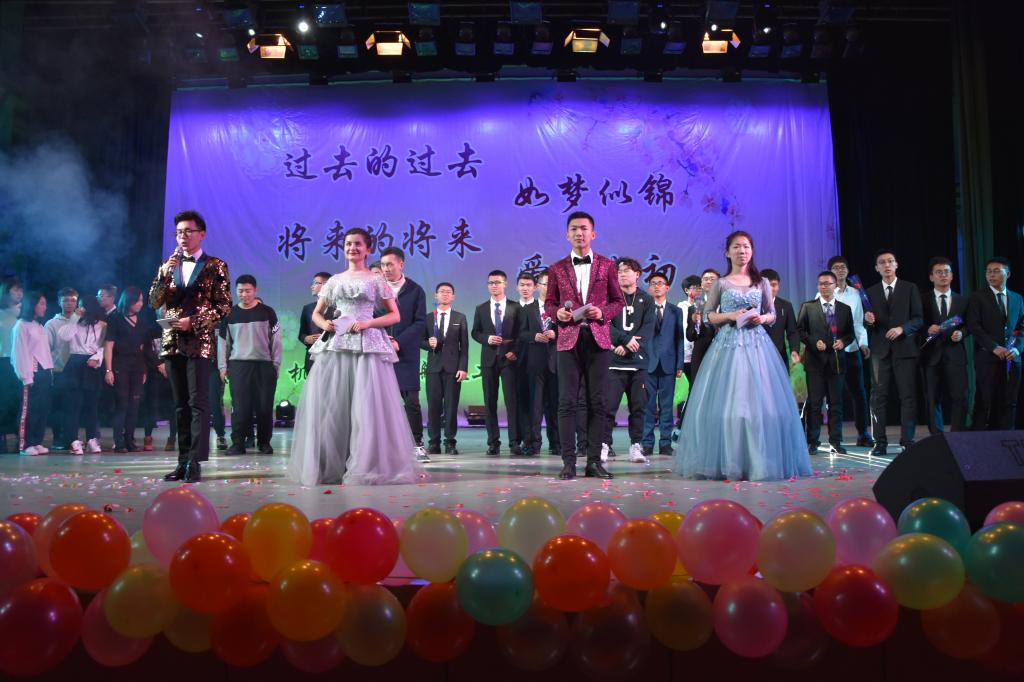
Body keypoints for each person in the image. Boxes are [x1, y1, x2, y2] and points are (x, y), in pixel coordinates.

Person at [674, 231, 811, 481]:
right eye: (736, 247)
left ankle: (759, 462)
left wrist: (762, 318)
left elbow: (772, 314)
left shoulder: (762, 282)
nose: (742, 251)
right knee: (728, 406)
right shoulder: (721, 283)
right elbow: (708, 315)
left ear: (752, 251)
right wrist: (730, 315)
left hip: (758, 345)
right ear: (727, 252)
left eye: (746, 246)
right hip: (727, 344)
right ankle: (729, 462)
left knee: (762, 407)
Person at [287, 227, 418, 486]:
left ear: (368, 249)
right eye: (348, 244)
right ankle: (331, 464)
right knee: (333, 405)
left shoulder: (376, 280)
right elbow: (316, 313)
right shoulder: (335, 280)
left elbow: (395, 316)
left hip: (367, 346)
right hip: (337, 345)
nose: (352, 248)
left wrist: (368, 323)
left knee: (367, 407)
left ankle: (367, 464)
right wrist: (325, 325)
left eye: (358, 244)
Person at [150, 209, 232, 483]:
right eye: (178, 233)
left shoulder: (215, 266)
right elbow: (154, 302)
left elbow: (224, 306)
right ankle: (182, 461)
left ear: (201, 234)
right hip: (172, 341)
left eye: (188, 231)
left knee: (198, 403)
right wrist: (164, 275)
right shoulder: (168, 265)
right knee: (180, 405)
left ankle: (195, 463)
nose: (182, 237)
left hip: (199, 342)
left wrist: (194, 321)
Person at [544, 211, 625, 480]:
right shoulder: (556, 268)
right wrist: (557, 314)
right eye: (574, 229)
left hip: (598, 339)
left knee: (598, 402)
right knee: (566, 402)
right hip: (568, 339)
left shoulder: (607, 265)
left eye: (584, 228)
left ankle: (593, 462)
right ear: (567, 234)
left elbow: (617, 301)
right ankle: (568, 463)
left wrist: (602, 313)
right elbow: (549, 303)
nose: (579, 233)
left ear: (593, 233)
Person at [864, 249, 923, 455]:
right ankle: (879, 442)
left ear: (897, 265)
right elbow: (867, 323)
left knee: (907, 396)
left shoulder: (910, 288)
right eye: (882, 262)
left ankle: (907, 440)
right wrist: (869, 321)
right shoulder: (870, 292)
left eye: (890, 261)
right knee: (878, 398)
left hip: (905, 349)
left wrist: (902, 329)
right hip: (880, 352)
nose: (887, 265)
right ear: (876, 268)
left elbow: (919, 319)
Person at [219, 275, 282, 455]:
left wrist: (276, 364)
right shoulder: (229, 314)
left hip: (264, 365)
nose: (244, 294)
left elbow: (276, 340)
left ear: (255, 291)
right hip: (238, 365)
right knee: (240, 407)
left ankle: (264, 443)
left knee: (264, 406)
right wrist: (223, 367)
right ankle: (238, 443)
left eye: (248, 291)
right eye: (240, 291)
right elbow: (223, 343)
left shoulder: (268, 312)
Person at [378, 247, 428, 461]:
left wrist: (399, 342)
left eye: (390, 264)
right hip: (379, 351)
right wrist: (383, 340)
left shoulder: (415, 290)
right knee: (379, 402)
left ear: (401, 264)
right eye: (383, 265)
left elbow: (420, 322)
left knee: (411, 401)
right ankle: (384, 446)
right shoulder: (376, 289)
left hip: (406, 353)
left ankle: (417, 444)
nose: (386, 269)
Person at [797, 271, 854, 455]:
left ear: (835, 285)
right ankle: (812, 442)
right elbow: (800, 331)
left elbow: (850, 334)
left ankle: (835, 442)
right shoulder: (808, 306)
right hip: (815, 363)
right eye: (821, 284)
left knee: (836, 405)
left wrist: (843, 342)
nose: (824, 287)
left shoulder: (845, 309)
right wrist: (814, 343)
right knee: (814, 405)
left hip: (836, 362)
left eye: (828, 283)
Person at [604, 258, 655, 464]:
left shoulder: (646, 299)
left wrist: (627, 346)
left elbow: (648, 328)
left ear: (637, 274)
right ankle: (604, 445)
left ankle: (636, 445)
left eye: (627, 270)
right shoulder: (610, 297)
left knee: (638, 407)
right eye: (619, 271)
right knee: (608, 407)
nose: (622, 274)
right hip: (614, 361)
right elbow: (604, 324)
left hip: (638, 361)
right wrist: (623, 341)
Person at [967, 257, 1023, 430]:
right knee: (986, 399)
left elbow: (1021, 327)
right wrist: (993, 347)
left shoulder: (1017, 298)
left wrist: (1017, 348)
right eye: (988, 272)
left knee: (1010, 400)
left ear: (1008, 274)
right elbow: (974, 326)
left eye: (996, 271)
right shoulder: (977, 297)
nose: (991, 275)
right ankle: (981, 437)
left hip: (1012, 357)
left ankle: (1007, 436)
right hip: (987, 357)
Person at [472, 270, 523, 456]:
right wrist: (487, 339)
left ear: (505, 284)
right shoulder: (481, 308)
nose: (494, 285)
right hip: (488, 359)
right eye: (491, 283)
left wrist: (515, 351)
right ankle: (493, 442)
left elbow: (522, 333)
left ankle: (515, 442)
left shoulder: (516, 307)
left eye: (497, 282)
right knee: (489, 402)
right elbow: (475, 332)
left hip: (509, 359)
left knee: (512, 401)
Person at [826, 256, 873, 447]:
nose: (840, 270)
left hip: (852, 348)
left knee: (859, 393)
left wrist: (863, 343)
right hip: (833, 350)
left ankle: (863, 433)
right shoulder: (824, 292)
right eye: (836, 267)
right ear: (830, 271)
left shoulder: (856, 293)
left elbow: (859, 322)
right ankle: (835, 438)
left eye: (843, 267)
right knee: (834, 396)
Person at [105, 287, 158, 452]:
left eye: (142, 300)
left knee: (134, 405)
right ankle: (119, 441)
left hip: (137, 367)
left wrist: (144, 370)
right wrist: (108, 370)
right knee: (122, 404)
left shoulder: (142, 322)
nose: (141, 304)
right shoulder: (116, 319)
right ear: (129, 301)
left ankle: (130, 439)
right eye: (138, 301)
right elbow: (109, 346)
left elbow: (144, 348)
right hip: (120, 365)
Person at [921, 257, 969, 433]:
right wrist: (927, 329)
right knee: (932, 398)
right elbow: (916, 324)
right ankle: (937, 436)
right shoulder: (922, 299)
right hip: (931, 356)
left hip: (955, 355)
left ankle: (957, 435)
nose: (943, 275)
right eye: (939, 272)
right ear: (931, 277)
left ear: (952, 275)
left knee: (960, 397)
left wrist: (962, 333)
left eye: (946, 272)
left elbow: (970, 325)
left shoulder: (963, 300)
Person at [421, 282, 468, 455]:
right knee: (433, 407)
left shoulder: (460, 317)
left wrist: (463, 368)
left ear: (453, 296)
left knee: (451, 406)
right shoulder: (428, 318)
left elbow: (464, 346)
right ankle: (434, 442)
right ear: (436, 295)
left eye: (449, 292)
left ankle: (450, 442)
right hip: (433, 368)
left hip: (453, 369)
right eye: (442, 291)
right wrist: (428, 344)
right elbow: (419, 341)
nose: (445, 294)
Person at [642, 272, 685, 457]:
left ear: (667, 287)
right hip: (648, 364)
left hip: (669, 363)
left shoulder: (676, 311)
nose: (657, 286)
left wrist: (679, 364)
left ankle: (665, 443)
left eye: (660, 283)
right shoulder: (644, 309)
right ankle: (647, 443)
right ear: (649, 288)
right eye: (653, 283)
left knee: (667, 407)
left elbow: (679, 339)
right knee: (648, 406)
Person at [58, 297, 107, 454]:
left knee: (91, 406)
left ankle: (92, 439)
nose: (81, 309)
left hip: (91, 365)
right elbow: (64, 336)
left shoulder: (102, 325)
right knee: (73, 406)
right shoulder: (74, 324)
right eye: (79, 306)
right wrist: (74, 317)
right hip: (75, 363)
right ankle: (73, 440)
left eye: (82, 306)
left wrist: (97, 358)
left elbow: (104, 346)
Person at [12, 291, 53, 455]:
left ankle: (36, 441)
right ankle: (25, 444)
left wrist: (49, 372)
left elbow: (44, 351)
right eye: (41, 303)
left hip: (44, 372)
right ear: (32, 304)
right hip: (31, 373)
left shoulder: (39, 325)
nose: (44, 307)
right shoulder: (21, 325)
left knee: (41, 409)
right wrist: (26, 376)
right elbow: (19, 353)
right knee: (28, 410)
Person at [44, 287, 78, 450]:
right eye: (65, 300)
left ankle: (72, 438)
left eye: (73, 300)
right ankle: (58, 438)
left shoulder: (81, 320)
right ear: (59, 302)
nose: (69, 303)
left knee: (73, 407)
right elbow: (46, 348)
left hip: (77, 370)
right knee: (58, 407)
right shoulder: (52, 324)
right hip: (59, 370)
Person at [515, 272, 543, 456]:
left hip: (538, 362)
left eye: (528, 285)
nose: (525, 288)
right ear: (517, 287)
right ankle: (523, 440)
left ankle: (536, 441)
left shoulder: (540, 307)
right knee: (520, 403)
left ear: (535, 287)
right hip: (515, 361)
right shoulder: (511, 307)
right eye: (522, 285)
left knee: (537, 403)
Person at [532, 269, 560, 456]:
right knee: (536, 407)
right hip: (535, 363)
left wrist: (556, 334)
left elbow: (570, 331)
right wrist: (533, 336)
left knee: (556, 406)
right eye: (545, 284)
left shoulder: (561, 309)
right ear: (537, 286)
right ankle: (535, 444)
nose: (548, 288)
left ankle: (556, 444)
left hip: (556, 362)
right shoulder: (528, 308)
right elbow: (521, 332)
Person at [0, 278, 24, 453]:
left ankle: (19, 437)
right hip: (3, 361)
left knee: (19, 401)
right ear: (6, 292)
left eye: (21, 290)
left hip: (20, 361)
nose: (19, 293)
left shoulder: (25, 313)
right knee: (3, 400)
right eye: (15, 290)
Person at [761, 269, 802, 369]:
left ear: (778, 285)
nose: (770, 288)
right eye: (767, 285)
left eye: (774, 285)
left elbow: (792, 331)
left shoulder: (786, 306)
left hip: (779, 357)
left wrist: (794, 350)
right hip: (757, 357)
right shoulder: (752, 306)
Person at [299, 272, 332, 375]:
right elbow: (301, 333)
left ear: (325, 285)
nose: (311, 286)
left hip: (332, 358)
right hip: (312, 359)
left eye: (315, 283)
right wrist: (306, 339)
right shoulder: (307, 308)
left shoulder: (338, 307)